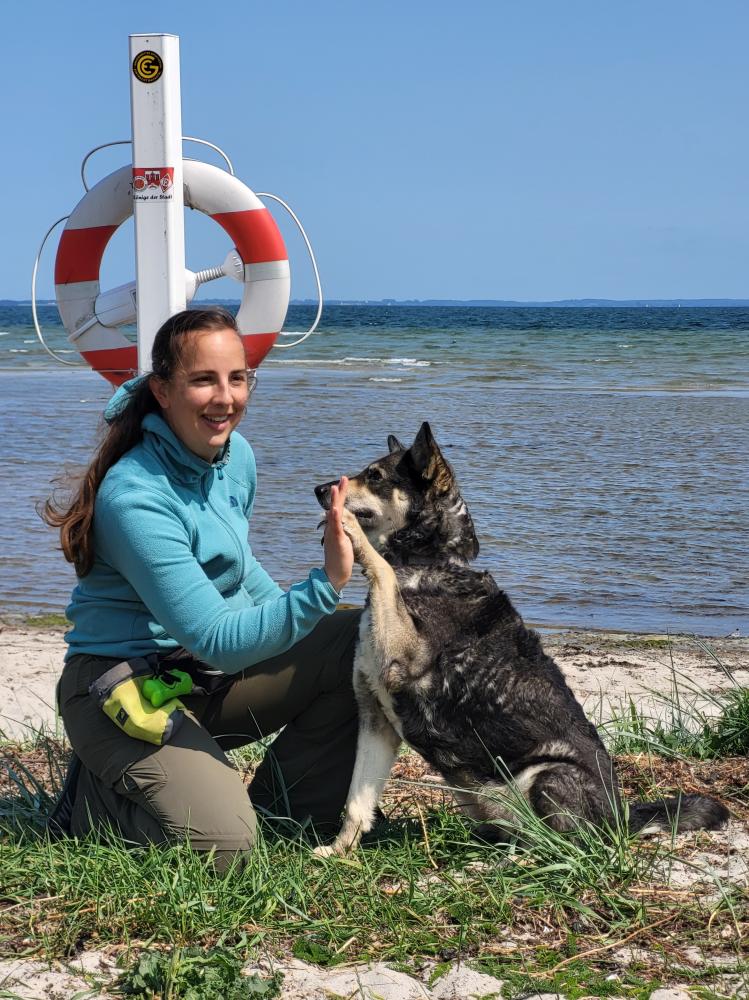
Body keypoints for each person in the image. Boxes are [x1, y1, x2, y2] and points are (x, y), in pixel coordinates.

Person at [44, 307, 359, 871]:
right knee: (225, 852)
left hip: (195, 676)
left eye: (237, 378)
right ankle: (95, 804)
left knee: (362, 645)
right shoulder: (134, 496)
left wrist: (319, 615)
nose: (225, 397)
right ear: (162, 391)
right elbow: (217, 638)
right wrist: (325, 584)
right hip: (119, 689)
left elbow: (238, 575)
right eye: (203, 380)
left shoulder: (236, 457)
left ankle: (284, 815)